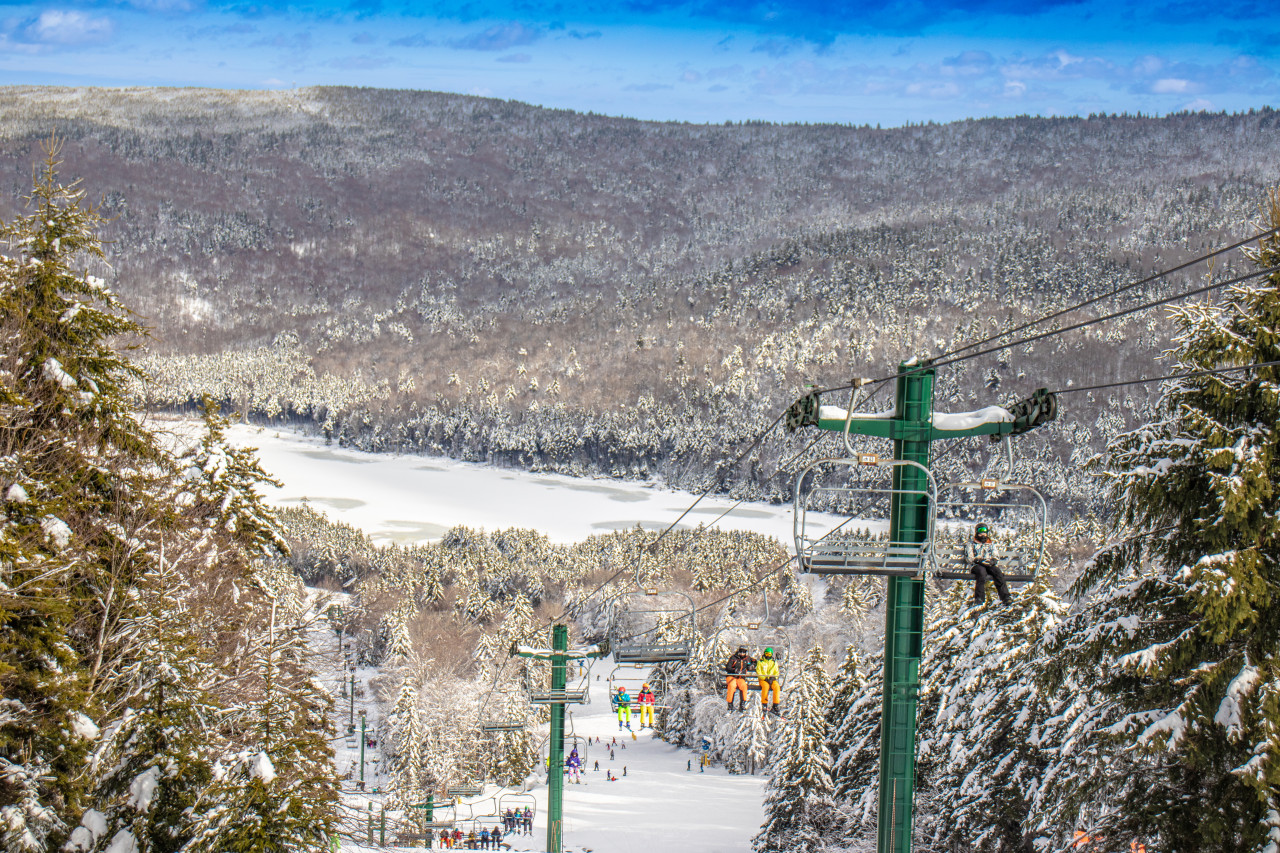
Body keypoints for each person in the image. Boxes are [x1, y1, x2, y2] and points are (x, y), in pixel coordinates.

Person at [965, 523, 1011, 605]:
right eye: (980, 531)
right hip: (976, 565)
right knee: (981, 572)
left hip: (988, 564)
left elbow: (996, 555)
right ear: (977, 532)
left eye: (984, 531)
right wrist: (977, 560)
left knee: (997, 572)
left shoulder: (991, 544)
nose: (982, 534)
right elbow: (969, 557)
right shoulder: (971, 544)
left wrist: (993, 561)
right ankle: (979, 598)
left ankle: (1005, 597)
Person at [725, 646, 755, 711]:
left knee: (743, 686)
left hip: (740, 677)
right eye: (740, 652)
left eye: (743, 652)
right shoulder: (733, 658)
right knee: (732, 685)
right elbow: (728, 667)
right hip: (731, 676)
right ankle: (730, 704)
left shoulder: (747, 659)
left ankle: (742, 704)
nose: (742, 653)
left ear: (745, 653)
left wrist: (752, 665)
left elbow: (755, 661)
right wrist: (734, 670)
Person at [756, 647, 782, 716]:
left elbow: (776, 672)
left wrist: (773, 678)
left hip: (771, 679)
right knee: (766, 686)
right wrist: (765, 678)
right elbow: (758, 672)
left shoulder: (774, 663)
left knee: (776, 686)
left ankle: (775, 705)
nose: (768, 655)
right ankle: (764, 703)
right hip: (763, 679)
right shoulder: (761, 662)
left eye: (769, 654)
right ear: (764, 654)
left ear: (771, 654)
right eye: (766, 654)